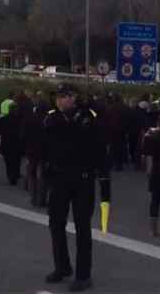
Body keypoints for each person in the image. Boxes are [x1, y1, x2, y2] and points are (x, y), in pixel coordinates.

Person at [42, 84, 110, 292]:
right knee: (56, 224)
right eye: (58, 97)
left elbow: (101, 148)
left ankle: (83, 275)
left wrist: (105, 181)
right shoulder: (51, 118)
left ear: (73, 97)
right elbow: (46, 148)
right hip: (60, 178)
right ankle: (62, 267)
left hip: (83, 179)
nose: (60, 101)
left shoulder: (88, 117)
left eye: (64, 97)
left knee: (82, 228)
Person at [0, 102, 24, 186]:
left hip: (6, 143)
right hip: (17, 143)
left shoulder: (3, 119)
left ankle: (10, 176)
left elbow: (0, 131)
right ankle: (15, 175)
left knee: (8, 161)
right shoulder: (20, 120)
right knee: (16, 161)